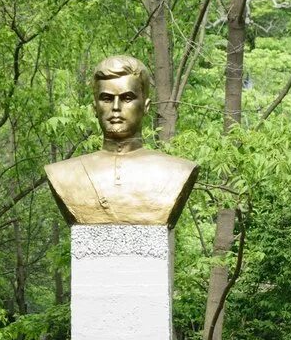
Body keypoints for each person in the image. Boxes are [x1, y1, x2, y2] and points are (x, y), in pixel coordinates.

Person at [43, 55, 198, 227]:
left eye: (127, 98)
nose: (116, 107)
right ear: (95, 108)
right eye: (107, 99)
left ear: (146, 106)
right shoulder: (64, 174)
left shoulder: (177, 172)